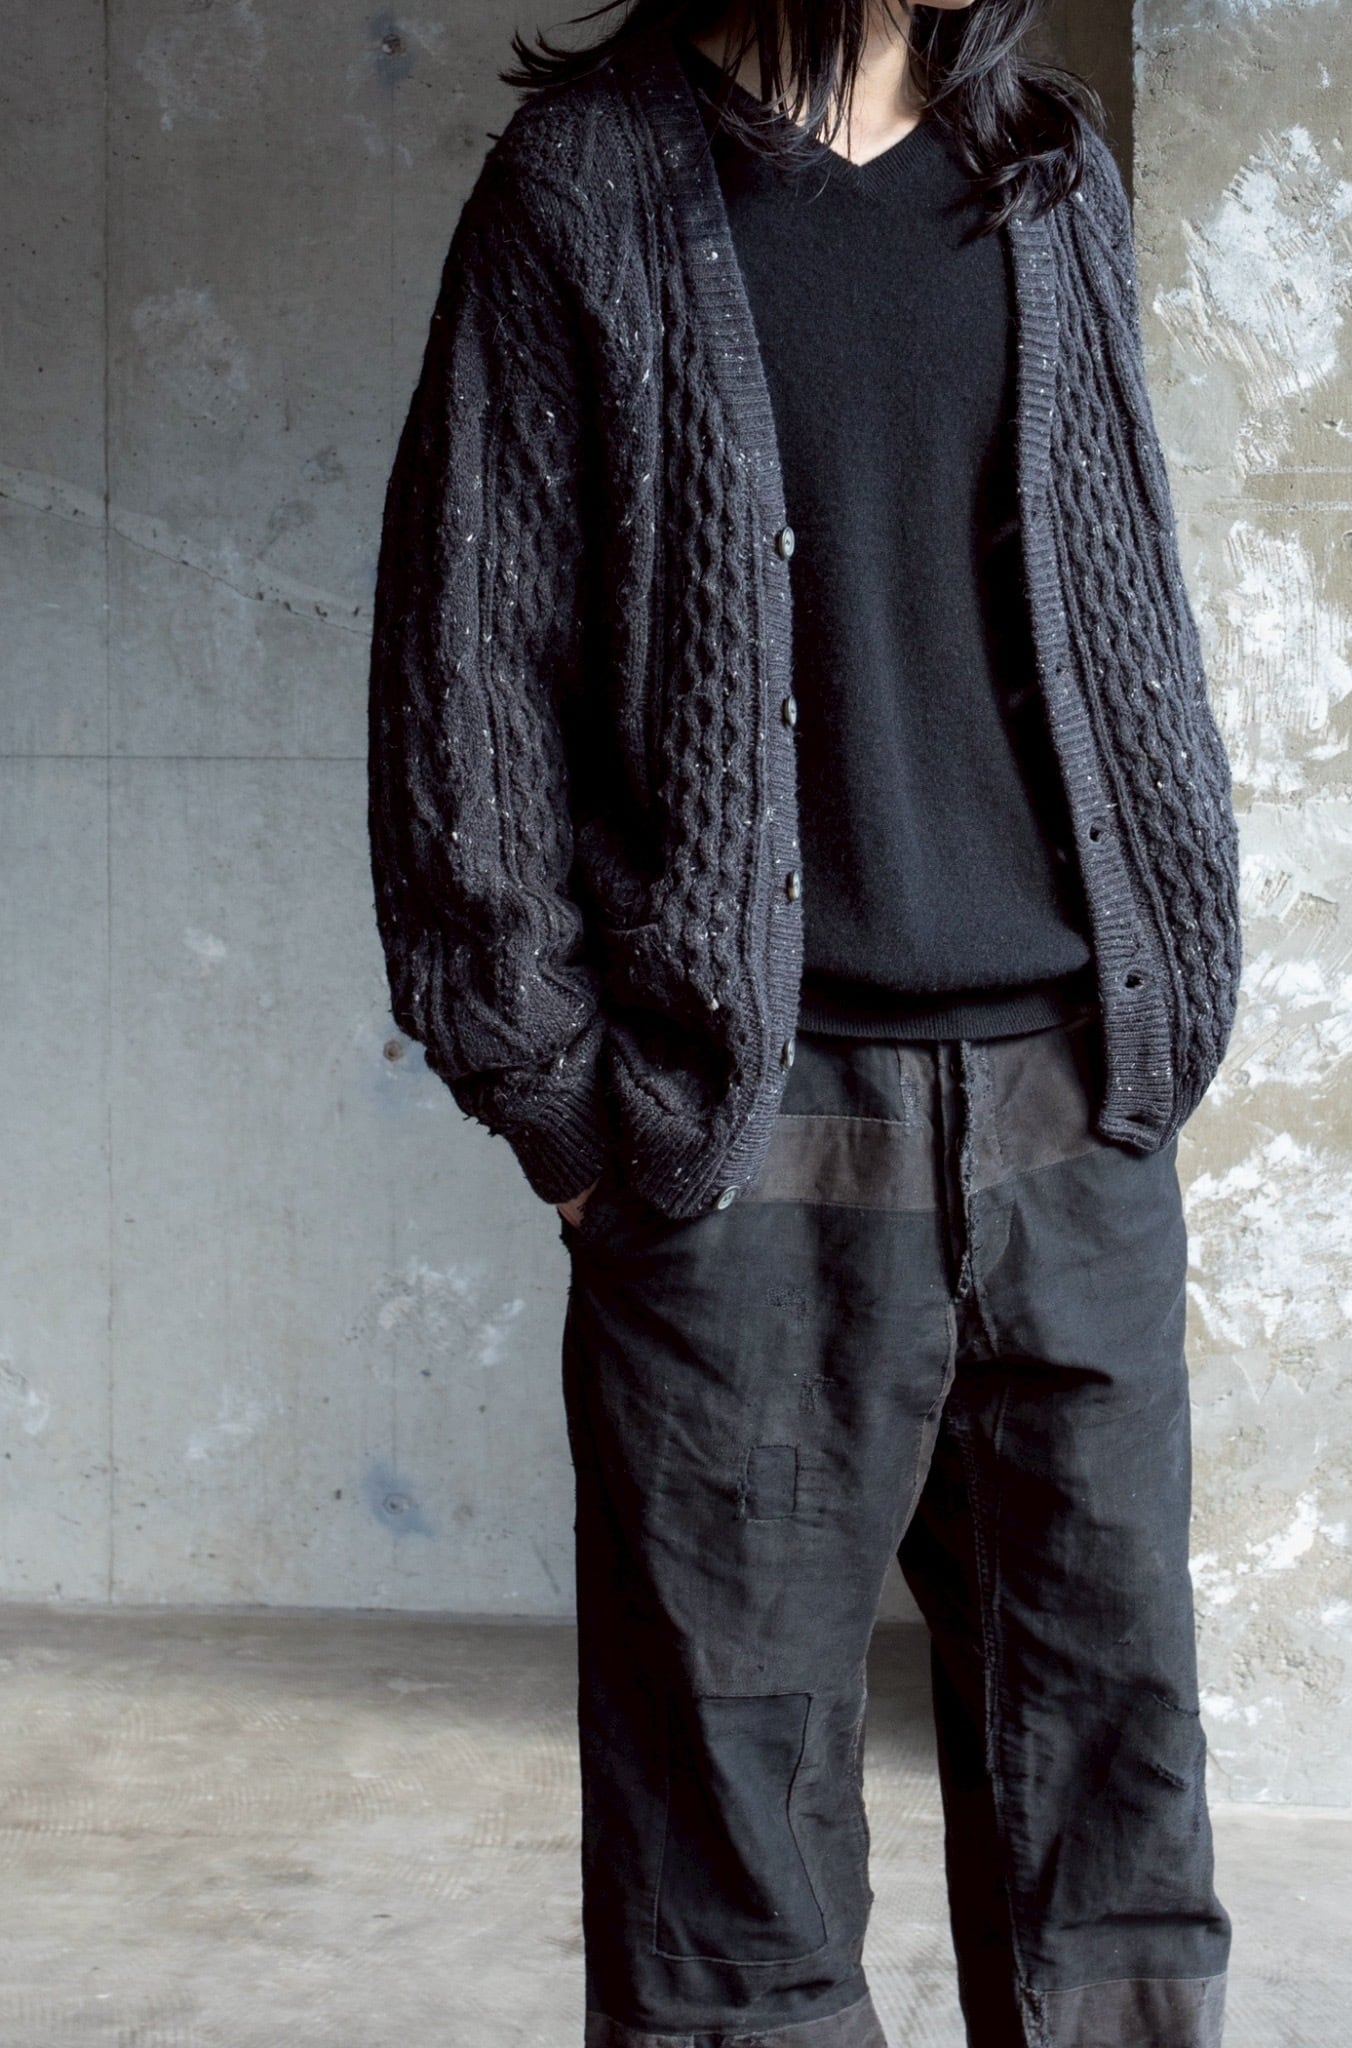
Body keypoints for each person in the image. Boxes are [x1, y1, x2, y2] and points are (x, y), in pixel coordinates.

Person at [366, 0, 1243, 2041]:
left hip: (1070, 1117)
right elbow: (469, 666)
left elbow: (1128, 594)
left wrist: (1172, 983)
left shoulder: (1045, 169)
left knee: (1116, 1807)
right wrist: (567, 1117)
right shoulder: (588, 189)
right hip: (739, 1129)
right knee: (729, 1855)